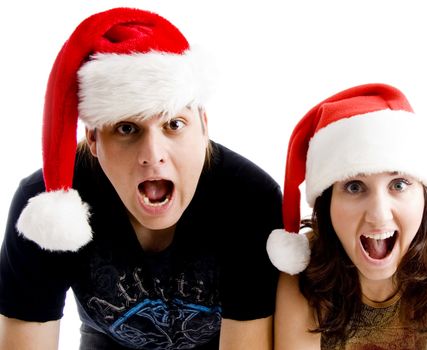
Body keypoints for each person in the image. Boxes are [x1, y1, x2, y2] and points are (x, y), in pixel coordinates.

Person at [0, 7, 282, 350]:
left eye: (173, 125)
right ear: (93, 139)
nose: (152, 154)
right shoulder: (47, 208)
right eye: (126, 128)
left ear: (204, 126)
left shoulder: (250, 199)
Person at [266, 83, 427, 349]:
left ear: (425, 196)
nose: (378, 214)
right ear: (327, 203)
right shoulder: (304, 274)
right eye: (354, 187)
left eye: (398, 184)